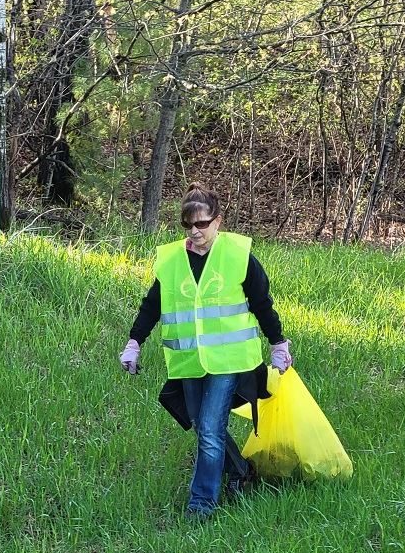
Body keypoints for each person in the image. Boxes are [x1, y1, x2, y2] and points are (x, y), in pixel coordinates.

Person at [119, 183, 292, 519]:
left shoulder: (238, 256)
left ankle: (201, 504)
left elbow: (262, 304)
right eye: (187, 225)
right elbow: (151, 306)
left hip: (229, 360)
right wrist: (134, 343)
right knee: (201, 425)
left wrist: (278, 343)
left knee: (211, 428)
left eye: (201, 224)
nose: (194, 231)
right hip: (188, 360)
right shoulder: (170, 261)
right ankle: (241, 470)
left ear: (218, 221)